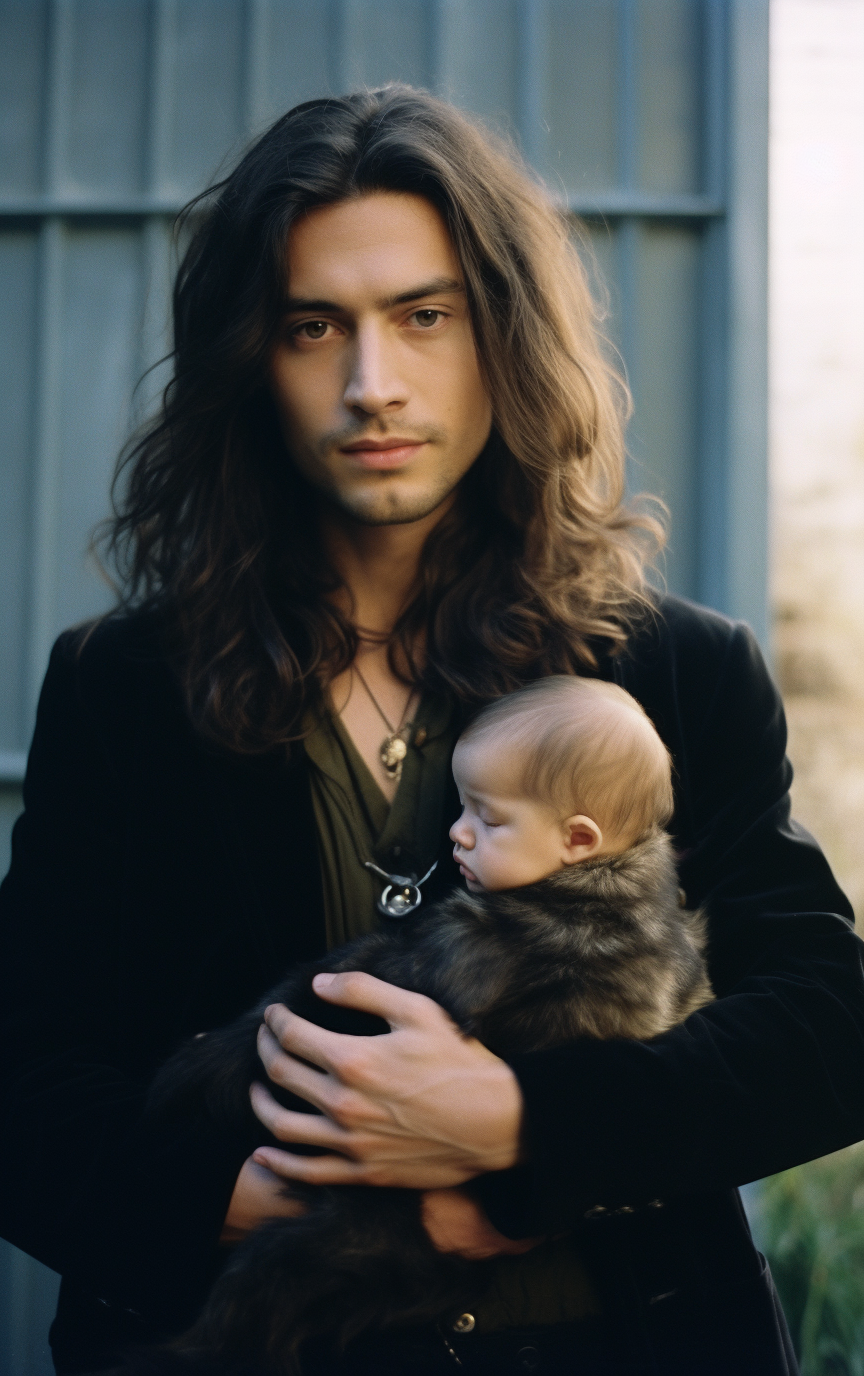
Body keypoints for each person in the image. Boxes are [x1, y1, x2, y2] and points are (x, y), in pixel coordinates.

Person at [0, 85, 860, 1376]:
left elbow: (825, 1027)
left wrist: (521, 1125)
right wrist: (217, 1202)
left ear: (501, 336)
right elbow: (28, 1068)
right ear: (252, 359)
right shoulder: (123, 689)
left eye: (424, 317)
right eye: (311, 328)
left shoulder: (679, 670)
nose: (370, 385)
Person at [138, 676, 713, 1375]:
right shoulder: (570, 903)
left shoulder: (592, 963)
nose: (457, 832)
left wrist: (517, 1170)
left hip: (549, 1308)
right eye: (462, 806)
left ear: (578, 839)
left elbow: (665, 1080)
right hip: (328, 1201)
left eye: (487, 819)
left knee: (265, 1302)